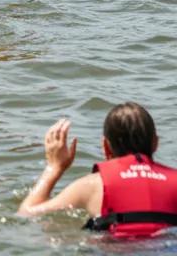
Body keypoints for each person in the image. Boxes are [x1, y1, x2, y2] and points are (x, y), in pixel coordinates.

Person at [18, 103, 177, 240]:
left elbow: (26, 214)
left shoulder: (93, 185)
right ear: (155, 143)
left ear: (106, 147)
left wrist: (54, 167)